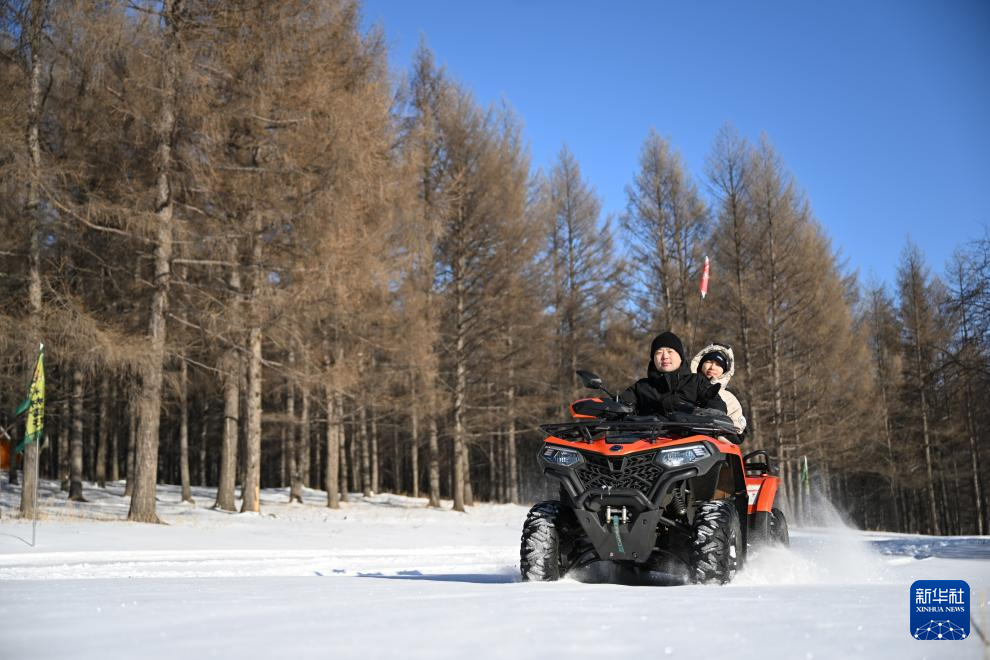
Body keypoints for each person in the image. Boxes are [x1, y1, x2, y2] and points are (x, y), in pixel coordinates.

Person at [619, 331, 726, 416]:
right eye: (659, 352)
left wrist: (706, 409)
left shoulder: (696, 381)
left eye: (670, 351)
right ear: (653, 359)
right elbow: (619, 406)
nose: (665, 356)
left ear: (680, 357)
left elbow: (717, 408)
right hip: (646, 440)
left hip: (689, 441)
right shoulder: (641, 387)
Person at [690, 343, 747, 436]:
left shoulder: (729, 398)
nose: (712, 367)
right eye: (709, 362)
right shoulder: (686, 387)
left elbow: (737, 429)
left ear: (724, 371)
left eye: (718, 364)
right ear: (700, 364)